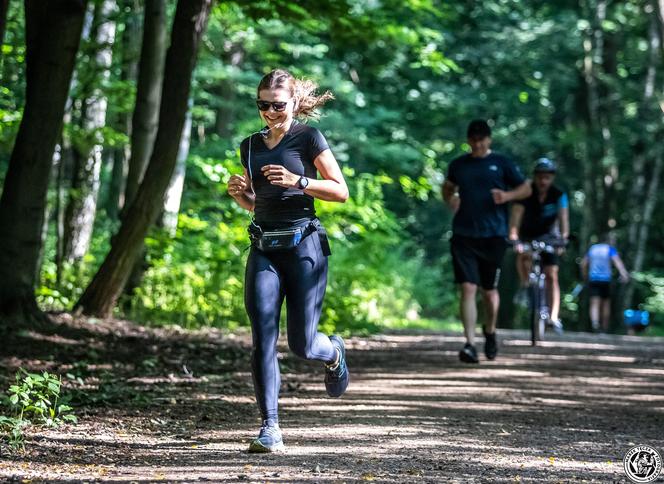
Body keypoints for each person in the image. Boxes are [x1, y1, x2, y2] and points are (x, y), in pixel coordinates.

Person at [227, 69, 350, 453]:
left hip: (304, 248)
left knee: (301, 344)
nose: (269, 112)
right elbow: (257, 202)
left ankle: (333, 352)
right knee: (262, 335)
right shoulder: (249, 145)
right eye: (262, 105)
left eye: (277, 105)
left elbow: (341, 191)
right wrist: (240, 195)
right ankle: (270, 427)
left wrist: (298, 181)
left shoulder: (308, 137)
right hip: (264, 247)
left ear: (293, 102)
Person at [442, 120, 531, 363]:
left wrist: (507, 196)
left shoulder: (502, 164)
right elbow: (447, 188)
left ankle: (490, 332)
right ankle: (469, 344)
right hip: (464, 234)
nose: (478, 144)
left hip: (494, 236)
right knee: (468, 288)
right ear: (468, 140)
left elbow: (526, 189)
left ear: (489, 140)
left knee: (489, 292)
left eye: (482, 140)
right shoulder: (459, 165)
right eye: (474, 140)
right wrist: (450, 199)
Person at [509, 158, 569, 333]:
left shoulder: (559, 195)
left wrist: (563, 240)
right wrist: (514, 238)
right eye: (540, 177)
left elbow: (564, 220)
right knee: (523, 256)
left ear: (552, 178)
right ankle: (526, 285)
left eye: (547, 177)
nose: (543, 181)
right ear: (535, 177)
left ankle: (553, 316)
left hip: (551, 237)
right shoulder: (525, 192)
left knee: (551, 274)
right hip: (527, 235)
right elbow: (515, 218)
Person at [581, 233, 630, 333]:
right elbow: (617, 262)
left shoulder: (593, 249)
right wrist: (624, 273)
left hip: (593, 279)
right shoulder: (610, 249)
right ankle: (604, 327)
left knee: (594, 303)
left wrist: (585, 276)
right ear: (609, 241)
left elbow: (583, 263)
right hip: (605, 280)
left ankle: (595, 323)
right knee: (605, 304)